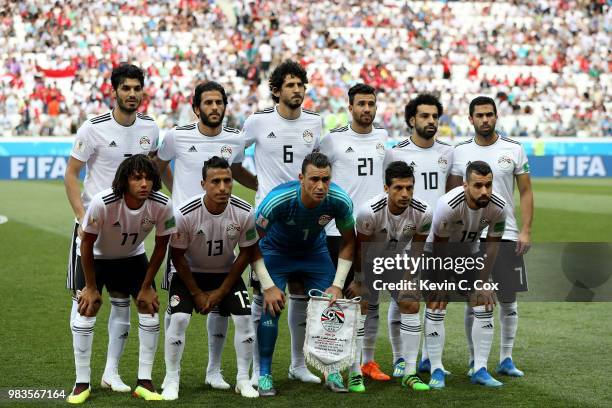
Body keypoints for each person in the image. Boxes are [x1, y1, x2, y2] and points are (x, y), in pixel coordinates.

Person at [64, 64, 160, 395]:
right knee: (85, 302)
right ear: (114, 92)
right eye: (126, 88)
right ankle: (81, 380)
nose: (132, 94)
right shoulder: (93, 128)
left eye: (137, 88)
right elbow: (72, 173)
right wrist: (80, 215)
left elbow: (153, 172)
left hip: (131, 235)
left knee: (123, 302)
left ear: (142, 92)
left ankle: (111, 372)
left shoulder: (151, 128)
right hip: (94, 231)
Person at [155, 81, 257, 389]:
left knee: (223, 306)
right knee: (178, 310)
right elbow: (158, 166)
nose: (214, 108)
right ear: (196, 107)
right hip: (186, 229)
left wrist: (261, 188)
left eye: (219, 103)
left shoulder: (236, 139)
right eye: (208, 103)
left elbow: (236, 171)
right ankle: (169, 374)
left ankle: (214, 371)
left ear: (225, 106)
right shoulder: (176, 136)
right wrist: (177, 197)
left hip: (223, 225)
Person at [67, 155, 175, 403]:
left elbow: (161, 245)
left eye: (148, 178)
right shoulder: (103, 202)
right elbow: (86, 242)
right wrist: (91, 287)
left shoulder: (162, 204)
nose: (144, 183)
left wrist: (147, 286)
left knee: (149, 307)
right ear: (125, 181)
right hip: (95, 257)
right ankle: (81, 383)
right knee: (87, 308)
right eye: (137, 178)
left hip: (131, 257)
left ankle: (144, 382)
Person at [243, 60, 323, 386]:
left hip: (305, 223)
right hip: (269, 223)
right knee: (264, 295)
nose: (297, 90)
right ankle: (257, 369)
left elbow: (319, 168)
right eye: (290, 85)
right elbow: (234, 161)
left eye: (301, 84)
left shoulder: (315, 123)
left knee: (300, 292)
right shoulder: (258, 121)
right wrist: (260, 188)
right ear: (276, 90)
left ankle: (297, 364)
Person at [252, 152, 356, 396]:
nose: (320, 186)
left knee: (333, 306)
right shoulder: (277, 200)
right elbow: (250, 242)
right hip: (275, 252)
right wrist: (267, 285)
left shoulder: (339, 200)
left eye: (326, 179)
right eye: (314, 179)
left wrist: (338, 284)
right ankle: (264, 373)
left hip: (313, 251)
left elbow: (349, 242)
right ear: (301, 178)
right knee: (272, 307)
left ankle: (332, 370)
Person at [448, 96, 533, 378]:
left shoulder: (514, 149)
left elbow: (526, 192)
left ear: (496, 117)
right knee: (475, 298)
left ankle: (506, 359)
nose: (485, 119)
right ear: (470, 119)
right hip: (471, 236)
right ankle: (475, 360)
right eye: (479, 115)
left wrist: (526, 229)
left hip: (506, 233)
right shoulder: (459, 152)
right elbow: (452, 196)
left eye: (489, 114)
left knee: (509, 297)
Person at [162, 157, 259, 400]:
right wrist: (196, 293)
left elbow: (247, 252)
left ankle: (242, 380)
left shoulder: (245, 211)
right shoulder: (185, 213)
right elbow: (177, 256)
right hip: (188, 274)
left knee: (245, 320)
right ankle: (172, 378)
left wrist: (220, 292)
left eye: (228, 181)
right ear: (203, 183)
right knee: (181, 319)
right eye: (215, 181)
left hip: (225, 273)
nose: (223, 187)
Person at [318, 83, 389, 385]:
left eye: (371, 104)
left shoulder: (383, 138)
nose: (366, 109)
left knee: (371, 299)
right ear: (350, 107)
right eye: (360, 104)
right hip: (339, 232)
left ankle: (366, 361)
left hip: (374, 233)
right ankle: (335, 363)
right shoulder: (332, 141)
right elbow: (316, 176)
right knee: (339, 300)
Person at [383, 94, 454, 378]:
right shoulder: (395, 153)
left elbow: (450, 195)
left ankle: (428, 358)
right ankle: (400, 358)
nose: (431, 121)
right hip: (403, 238)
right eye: (425, 116)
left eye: (435, 117)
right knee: (403, 299)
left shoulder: (448, 153)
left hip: (436, 238)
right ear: (412, 120)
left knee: (437, 299)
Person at [354, 161, 432, 392]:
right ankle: (361, 367)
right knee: (364, 305)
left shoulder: (423, 212)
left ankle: (409, 372)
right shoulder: (370, 211)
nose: (405, 193)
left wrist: (410, 279)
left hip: (395, 260)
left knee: (410, 303)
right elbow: (360, 249)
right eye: (398, 188)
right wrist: (359, 281)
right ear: (386, 188)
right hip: (366, 261)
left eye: (409, 187)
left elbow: (417, 249)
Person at [429, 160, 507, 388]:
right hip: (436, 253)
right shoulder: (448, 205)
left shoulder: (498, 206)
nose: (484, 191)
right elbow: (439, 246)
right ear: (465, 185)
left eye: (488, 185)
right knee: (437, 302)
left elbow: (492, 246)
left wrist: (483, 282)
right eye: (478, 185)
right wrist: (441, 283)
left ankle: (480, 369)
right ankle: (435, 368)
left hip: (469, 253)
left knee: (484, 301)